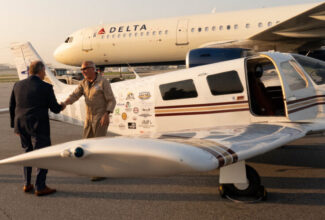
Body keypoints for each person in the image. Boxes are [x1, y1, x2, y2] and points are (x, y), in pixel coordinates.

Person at [9, 61, 65, 196]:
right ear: (41, 71)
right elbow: (55, 109)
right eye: (44, 71)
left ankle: (27, 183)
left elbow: (12, 107)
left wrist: (15, 127)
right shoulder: (46, 87)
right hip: (38, 126)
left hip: (21, 125)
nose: (45, 73)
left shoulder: (18, 85)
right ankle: (40, 186)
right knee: (43, 155)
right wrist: (63, 105)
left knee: (27, 153)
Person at [63, 61, 116, 181]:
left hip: (100, 117)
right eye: (82, 69)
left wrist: (107, 114)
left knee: (98, 145)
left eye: (85, 69)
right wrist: (65, 103)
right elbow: (75, 95)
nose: (83, 71)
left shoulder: (103, 82)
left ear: (93, 69)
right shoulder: (84, 83)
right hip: (89, 118)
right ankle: (89, 168)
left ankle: (99, 172)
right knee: (86, 143)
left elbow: (111, 100)